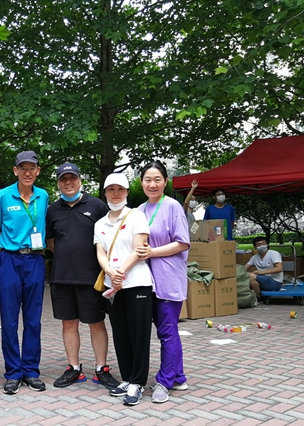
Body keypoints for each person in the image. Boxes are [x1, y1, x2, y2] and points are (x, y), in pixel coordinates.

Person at [45, 162, 119, 391]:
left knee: (96, 323)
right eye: (63, 179)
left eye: (72, 178)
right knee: (68, 323)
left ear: (80, 180)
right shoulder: (52, 210)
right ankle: (74, 368)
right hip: (62, 277)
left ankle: (101, 369)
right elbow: (51, 242)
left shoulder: (97, 206)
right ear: (58, 183)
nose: (68, 182)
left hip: (91, 278)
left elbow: (107, 239)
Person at [0, 150, 49, 395]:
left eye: (32, 168)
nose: (27, 172)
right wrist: (6, 253)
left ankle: (31, 371)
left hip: (35, 259)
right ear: (15, 170)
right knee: (9, 318)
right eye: (22, 168)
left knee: (33, 318)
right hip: (10, 259)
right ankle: (13, 372)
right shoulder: (2, 196)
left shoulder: (43, 196)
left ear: (38, 171)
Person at [94, 173, 153, 406]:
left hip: (137, 283)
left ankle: (138, 382)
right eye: (111, 189)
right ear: (105, 193)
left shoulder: (137, 216)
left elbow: (139, 249)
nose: (115, 193)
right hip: (113, 287)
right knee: (120, 334)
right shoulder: (100, 223)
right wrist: (110, 272)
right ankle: (127, 378)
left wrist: (120, 272)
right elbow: (100, 252)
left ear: (127, 192)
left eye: (120, 189)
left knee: (139, 335)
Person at [135, 160, 190, 404]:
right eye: (148, 179)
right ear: (141, 183)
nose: (152, 184)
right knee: (164, 330)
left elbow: (182, 242)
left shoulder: (172, 206)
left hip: (168, 278)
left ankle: (164, 382)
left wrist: (152, 252)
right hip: (146, 280)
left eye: (157, 179)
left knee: (167, 331)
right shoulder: (139, 210)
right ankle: (178, 376)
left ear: (165, 182)